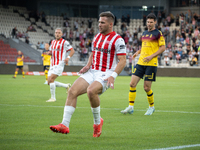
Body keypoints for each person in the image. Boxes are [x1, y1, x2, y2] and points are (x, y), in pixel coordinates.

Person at [49, 11, 126, 137]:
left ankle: (97, 123)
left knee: (91, 91)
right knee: (72, 91)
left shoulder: (118, 40)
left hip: (106, 73)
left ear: (110, 24)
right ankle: (64, 125)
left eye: (102, 22)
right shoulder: (97, 36)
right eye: (99, 22)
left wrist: (113, 76)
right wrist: (88, 65)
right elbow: (93, 52)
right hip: (92, 71)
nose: (99, 24)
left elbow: (123, 61)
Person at [121, 13, 165, 115]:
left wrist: (151, 56)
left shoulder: (158, 33)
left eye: (151, 22)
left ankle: (151, 107)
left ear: (155, 22)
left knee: (146, 88)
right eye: (148, 22)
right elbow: (146, 46)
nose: (149, 24)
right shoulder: (144, 33)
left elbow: (163, 48)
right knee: (132, 84)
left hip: (151, 63)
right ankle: (131, 107)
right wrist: (138, 52)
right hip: (141, 62)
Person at [46, 28, 75, 102]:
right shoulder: (52, 42)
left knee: (51, 79)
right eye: (56, 33)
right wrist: (50, 53)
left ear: (62, 34)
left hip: (59, 64)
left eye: (59, 33)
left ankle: (53, 98)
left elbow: (72, 50)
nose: (57, 34)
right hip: (52, 64)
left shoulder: (64, 42)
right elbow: (52, 51)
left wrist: (68, 57)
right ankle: (66, 86)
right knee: (49, 82)